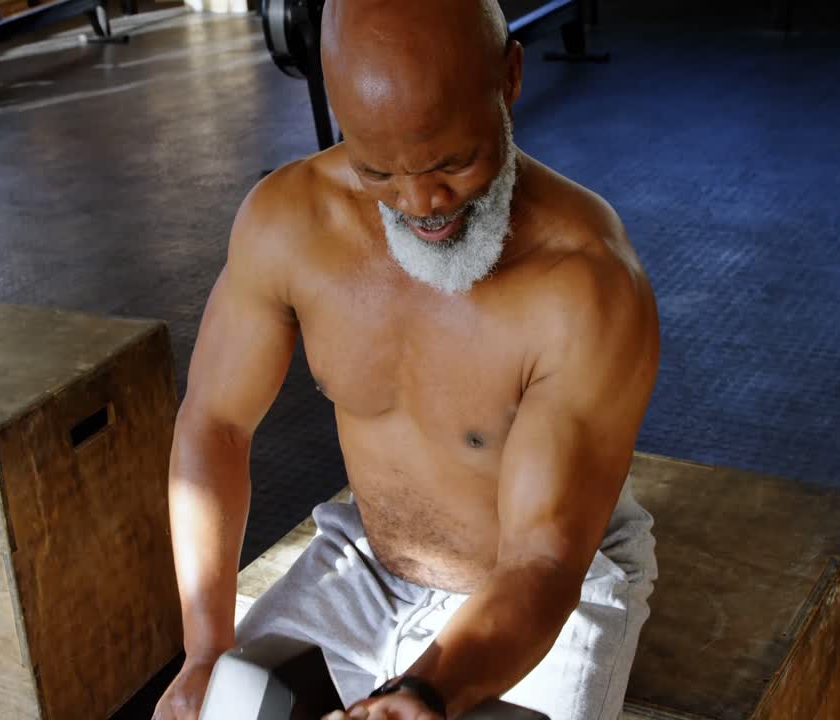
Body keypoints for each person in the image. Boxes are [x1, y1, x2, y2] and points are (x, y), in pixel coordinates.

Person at [153, 1, 659, 718]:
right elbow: (213, 424)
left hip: (553, 584)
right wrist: (206, 651)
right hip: (367, 558)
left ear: (510, 77)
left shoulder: (585, 280)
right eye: (378, 171)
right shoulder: (288, 225)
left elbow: (543, 561)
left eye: (453, 161)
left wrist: (427, 690)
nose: (422, 203)